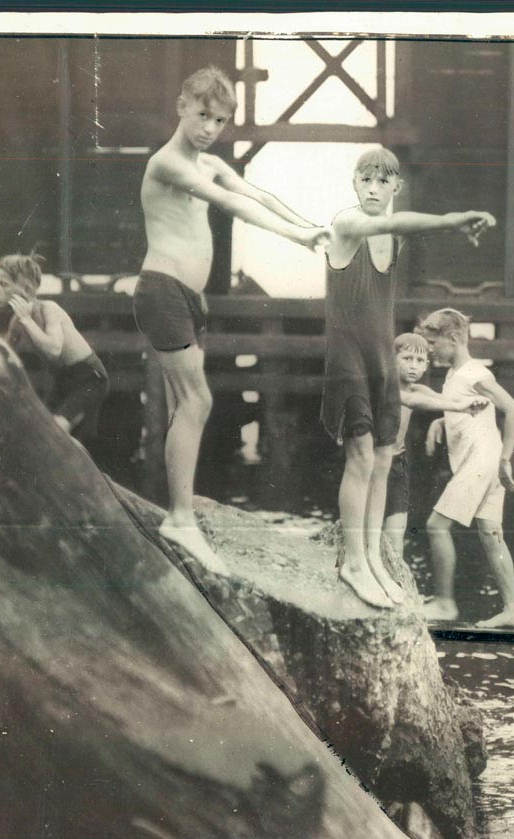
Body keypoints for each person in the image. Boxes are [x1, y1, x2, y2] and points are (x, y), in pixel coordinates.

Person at [133, 66, 331, 576]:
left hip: (189, 298)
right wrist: (296, 240)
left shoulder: (209, 161)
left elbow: (254, 193)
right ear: (181, 106)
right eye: (202, 115)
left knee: (186, 405)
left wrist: (307, 227)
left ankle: (179, 508)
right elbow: (229, 204)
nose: (208, 128)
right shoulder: (168, 164)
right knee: (198, 400)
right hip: (162, 291)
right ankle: (179, 518)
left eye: (219, 121)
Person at [322, 146, 496, 609]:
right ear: (354, 184)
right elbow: (397, 223)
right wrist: (453, 220)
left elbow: (398, 228)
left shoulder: (392, 240)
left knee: (382, 457)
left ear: (396, 186)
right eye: (366, 180)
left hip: (381, 355)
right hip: (348, 357)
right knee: (359, 456)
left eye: (383, 181)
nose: (373, 189)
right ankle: (354, 561)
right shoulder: (348, 224)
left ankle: (375, 559)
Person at [417, 308, 514, 629]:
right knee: (492, 536)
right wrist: (440, 421)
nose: (429, 350)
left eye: (433, 342)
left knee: (437, 526)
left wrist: (506, 459)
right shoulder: (455, 374)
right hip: (483, 462)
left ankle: (445, 603)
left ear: (454, 338)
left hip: (482, 463)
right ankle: (513, 610)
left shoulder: (474, 373)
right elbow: (466, 408)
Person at [383, 331, 489, 562]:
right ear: (391, 360)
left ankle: (394, 584)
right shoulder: (389, 387)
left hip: (397, 465)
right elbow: (413, 402)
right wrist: (461, 407)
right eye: (407, 359)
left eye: (419, 361)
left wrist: (465, 405)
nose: (413, 366)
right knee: (367, 532)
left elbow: (441, 401)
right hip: (375, 464)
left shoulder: (417, 388)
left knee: (395, 537)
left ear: (426, 366)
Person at [0, 253, 109, 445]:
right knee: (42, 434)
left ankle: (89, 474)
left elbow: (54, 349)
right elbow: (5, 357)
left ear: (27, 289)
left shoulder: (49, 309)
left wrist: (26, 320)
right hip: (64, 382)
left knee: (55, 433)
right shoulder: (17, 322)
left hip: (89, 378)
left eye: (3, 284)